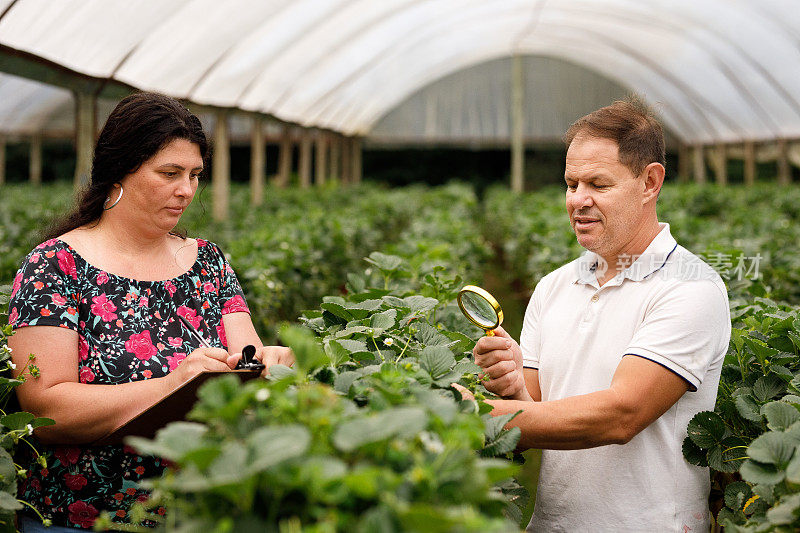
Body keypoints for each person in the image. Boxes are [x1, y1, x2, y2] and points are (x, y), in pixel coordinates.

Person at [7, 92, 294, 531]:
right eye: (170, 173)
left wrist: (267, 364)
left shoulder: (209, 264)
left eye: (195, 175)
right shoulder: (55, 266)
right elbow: (45, 411)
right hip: (81, 519)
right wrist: (173, 384)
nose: (187, 190)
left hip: (198, 513)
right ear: (119, 170)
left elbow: (246, 352)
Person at [470, 100, 731, 532]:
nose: (578, 200)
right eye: (571, 183)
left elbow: (621, 415)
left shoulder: (691, 288)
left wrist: (474, 414)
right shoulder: (554, 286)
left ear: (650, 182)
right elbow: (533, 417)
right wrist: (514, 383)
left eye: (597, 184)